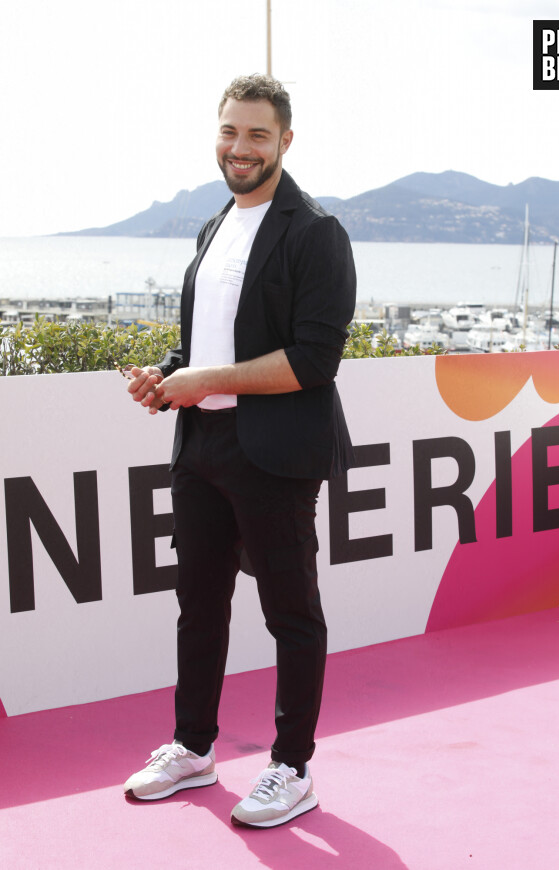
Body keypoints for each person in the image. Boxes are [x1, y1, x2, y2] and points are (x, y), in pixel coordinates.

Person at [123, 73, 356, 828]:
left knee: (291, 614)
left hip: (275, 450)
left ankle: (292, 767)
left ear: (285, 141)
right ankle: (194, 748)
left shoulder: (315, 233)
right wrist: (167, 377)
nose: (240, 147)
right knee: (200, 607)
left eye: (257, 134)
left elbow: (313, 359)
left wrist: (205, 379)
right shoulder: (213, 225)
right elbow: (207, 343)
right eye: (230, 131)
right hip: (202, 446)